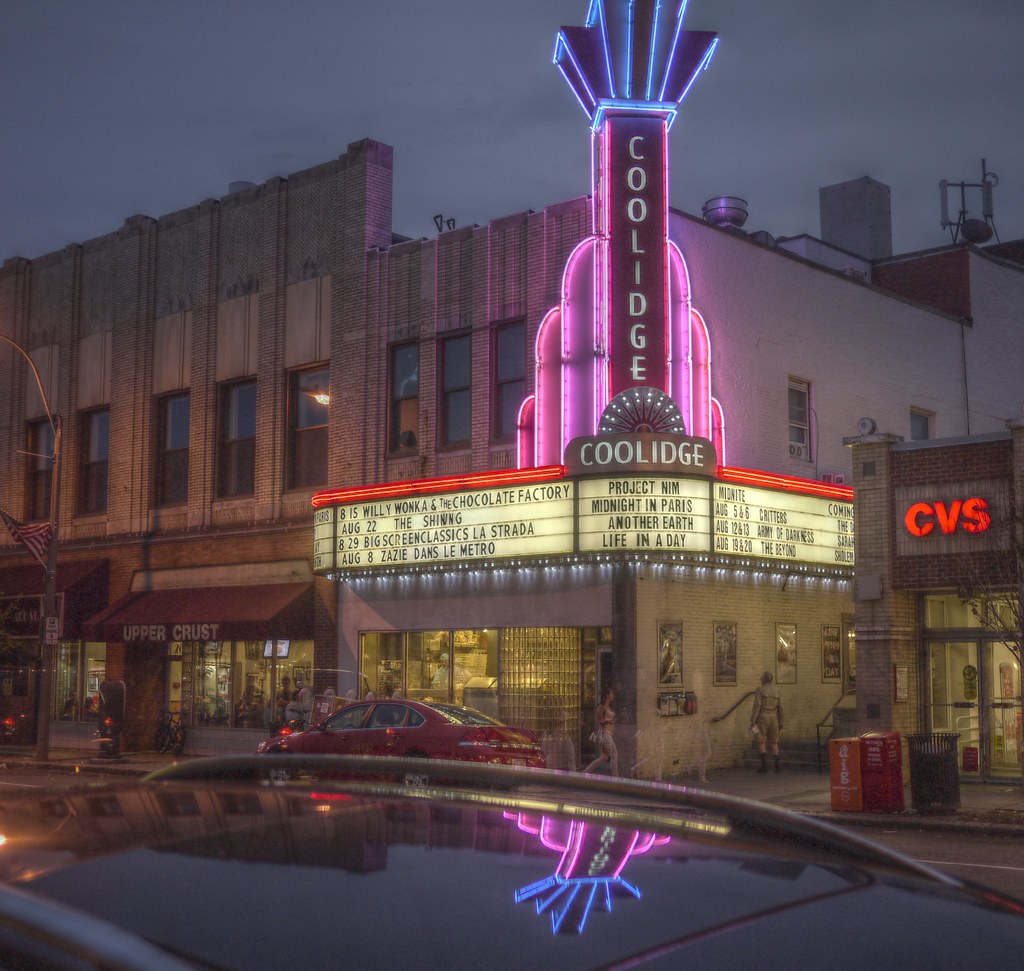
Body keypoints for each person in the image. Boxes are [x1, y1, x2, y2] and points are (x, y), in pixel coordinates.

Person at [750, 670, 784, 773]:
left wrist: (753, 720)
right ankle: (777, 766)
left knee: (762, 741)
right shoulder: (777, 691)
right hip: (774, 718)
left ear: (763, 679)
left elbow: (757, 706)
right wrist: (781, 722)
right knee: (774, 741)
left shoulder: (760, 690)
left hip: (762, 718)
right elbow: (781, 708)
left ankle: (764, 766)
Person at [584, 687, 618, 775]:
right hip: (604, 734)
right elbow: (599, 720)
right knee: (612, 755)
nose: (613, 695)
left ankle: (585, 772)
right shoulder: (601, 707)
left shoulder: (609, 707)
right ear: (607, 696)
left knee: (605, 757)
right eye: (611, 694)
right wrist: (609, 721)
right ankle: (616, 777)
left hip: (609, 733)